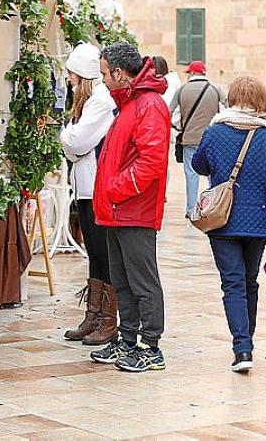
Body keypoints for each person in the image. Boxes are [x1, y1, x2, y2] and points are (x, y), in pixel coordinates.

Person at [192, 76, 266, 373]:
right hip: (257, 224)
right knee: (249, 282)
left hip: (222, 221)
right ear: (260, 102)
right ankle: (245, 342)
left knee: (233, 283)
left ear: (232, 98)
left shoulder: (215, 132)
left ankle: (242, 347)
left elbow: (199, 164)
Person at [90, 42, 171, 372]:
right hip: (118, 209)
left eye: (106, 74)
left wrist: (114, 189)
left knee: (142, 281)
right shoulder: (130, 104)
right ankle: (127, 339)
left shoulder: (147, 106)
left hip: (133, 209)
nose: (104, 80)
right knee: (122, 280)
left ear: (120, 73)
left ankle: (150, 345)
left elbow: (151, 162)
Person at [60, 43, 118, 345]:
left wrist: (66, 138)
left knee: (101, 252)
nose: (69, 81)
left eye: (71, 75)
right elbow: (74, 143)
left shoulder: (99, 102)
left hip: (97, 187)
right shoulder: (88, 103)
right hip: (85, 186)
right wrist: (69, 140)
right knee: (93, 253)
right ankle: (93, 315)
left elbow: (77, 141)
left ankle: (107, 321)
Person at [169, 61, 225, 218]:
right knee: (212, 173)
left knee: (191, 173)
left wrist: (178, 126)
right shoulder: (215, 89)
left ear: (191, 74)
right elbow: (228, 106)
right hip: (212, 139)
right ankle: (214, 207)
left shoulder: (182, 90)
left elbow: (169, 112)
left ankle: (191, 210)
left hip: (190, 138)